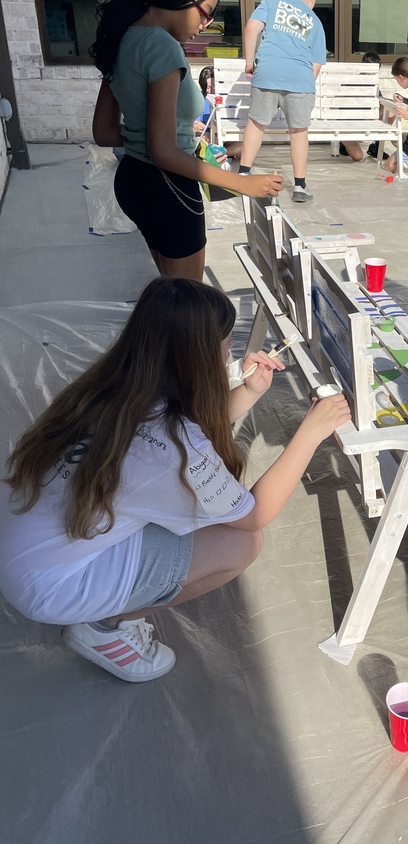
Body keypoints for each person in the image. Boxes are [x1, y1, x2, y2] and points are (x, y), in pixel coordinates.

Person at [0, 277, 350, 683]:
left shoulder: (115, 387)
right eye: (224, 344)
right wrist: (310, 433)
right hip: (52, 586)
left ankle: (102, 612)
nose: (229, 351)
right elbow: (253, 516)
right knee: (240, 543)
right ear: (196, 356)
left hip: (29, 547)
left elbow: (188, 432)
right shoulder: (171, 445)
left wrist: (250, 391)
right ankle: (104, 628)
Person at [90, 0, 283, 281]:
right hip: (169, 189)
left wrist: (152, 133)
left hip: (133, 180)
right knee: (187, 308)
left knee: (170, 292)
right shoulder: (163, 46)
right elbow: (164, 152)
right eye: (205, 11)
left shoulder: (120, 38)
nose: (207, 23)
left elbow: (103, 133)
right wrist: (243, 183)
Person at [239, 0, 327, 203]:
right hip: (300, 78)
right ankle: (299, 187)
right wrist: (303, 83)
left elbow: (250, 29)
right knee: (298, 132)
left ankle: (243, 175)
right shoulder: (315, 22)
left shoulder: (271, 2)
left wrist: (249, 62)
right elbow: (316, 65)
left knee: (257, 123)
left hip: (268, 70)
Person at [338, 51, 389, 163]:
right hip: (348, 125)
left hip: (365, 121)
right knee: (358, 156)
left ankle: (377, 145)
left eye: (375, 73)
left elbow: (379, 106)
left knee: (390, 111)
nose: (372, 76)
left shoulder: (374, 85)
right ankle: (343, 142)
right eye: (369, 72)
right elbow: (339, 108)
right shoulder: (349, 83)